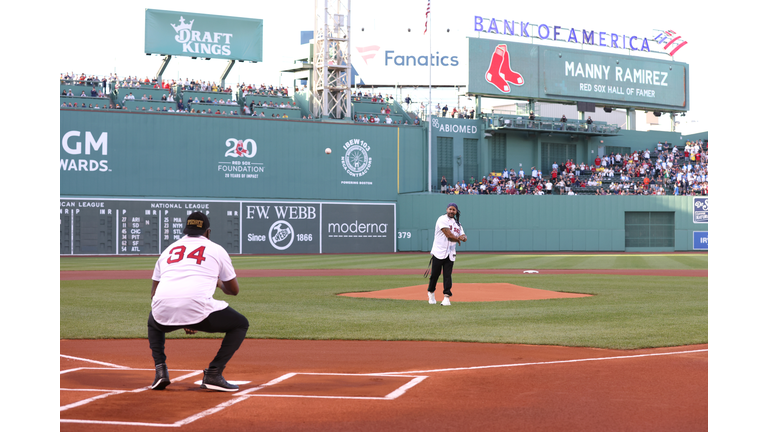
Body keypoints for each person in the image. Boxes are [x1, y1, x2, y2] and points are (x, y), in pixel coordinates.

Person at [147, 212, 249, 392]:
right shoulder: (216, 249)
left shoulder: (168, 250)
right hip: (196, 307)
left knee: (153, 320)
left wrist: (185, 318)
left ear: (186, 230)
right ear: (208, 232)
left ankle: (160, 371)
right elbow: (233, 290)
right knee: (241, 324)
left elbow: (154, 293)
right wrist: (218, 284)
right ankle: (214, 373)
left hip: (163, 308)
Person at [426, 203, 467, 306]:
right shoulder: (442, 219)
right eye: (450, 209)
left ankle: (446, 298)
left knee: (447, 275)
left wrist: (464, 238)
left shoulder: (458, 224)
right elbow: (448, 235)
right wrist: (459, 239)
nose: (451, 211)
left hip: (451, 253)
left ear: (456, 211)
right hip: (439, 252)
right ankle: (431, 292)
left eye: (454, 210)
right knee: (435, 275)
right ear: (447, 209)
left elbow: (463, 235)